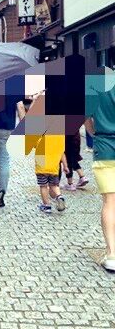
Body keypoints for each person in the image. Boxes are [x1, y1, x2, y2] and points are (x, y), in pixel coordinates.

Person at [85, 86, 115, 272]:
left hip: (104, 148)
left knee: (109, 202)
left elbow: (87, 119)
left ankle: (112, 253)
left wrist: (95, 134)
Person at [33, 134, 68, 213]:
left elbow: (35, 144)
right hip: (54, 166)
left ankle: (46, 205)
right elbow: (62, 152)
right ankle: (59, 196)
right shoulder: (60, 136)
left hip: (41, 165)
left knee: (43, 186)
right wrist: (65, 166)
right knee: (54, 185)